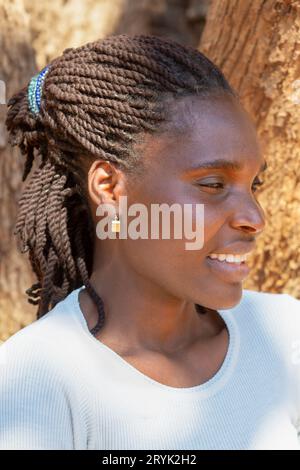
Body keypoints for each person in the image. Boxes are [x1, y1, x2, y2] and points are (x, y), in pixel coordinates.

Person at [0, 34, 299, 450]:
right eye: (213, 184)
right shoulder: (36, 380)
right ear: (109, 187)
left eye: (254, 185)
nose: (255, 218)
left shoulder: (284, 334)